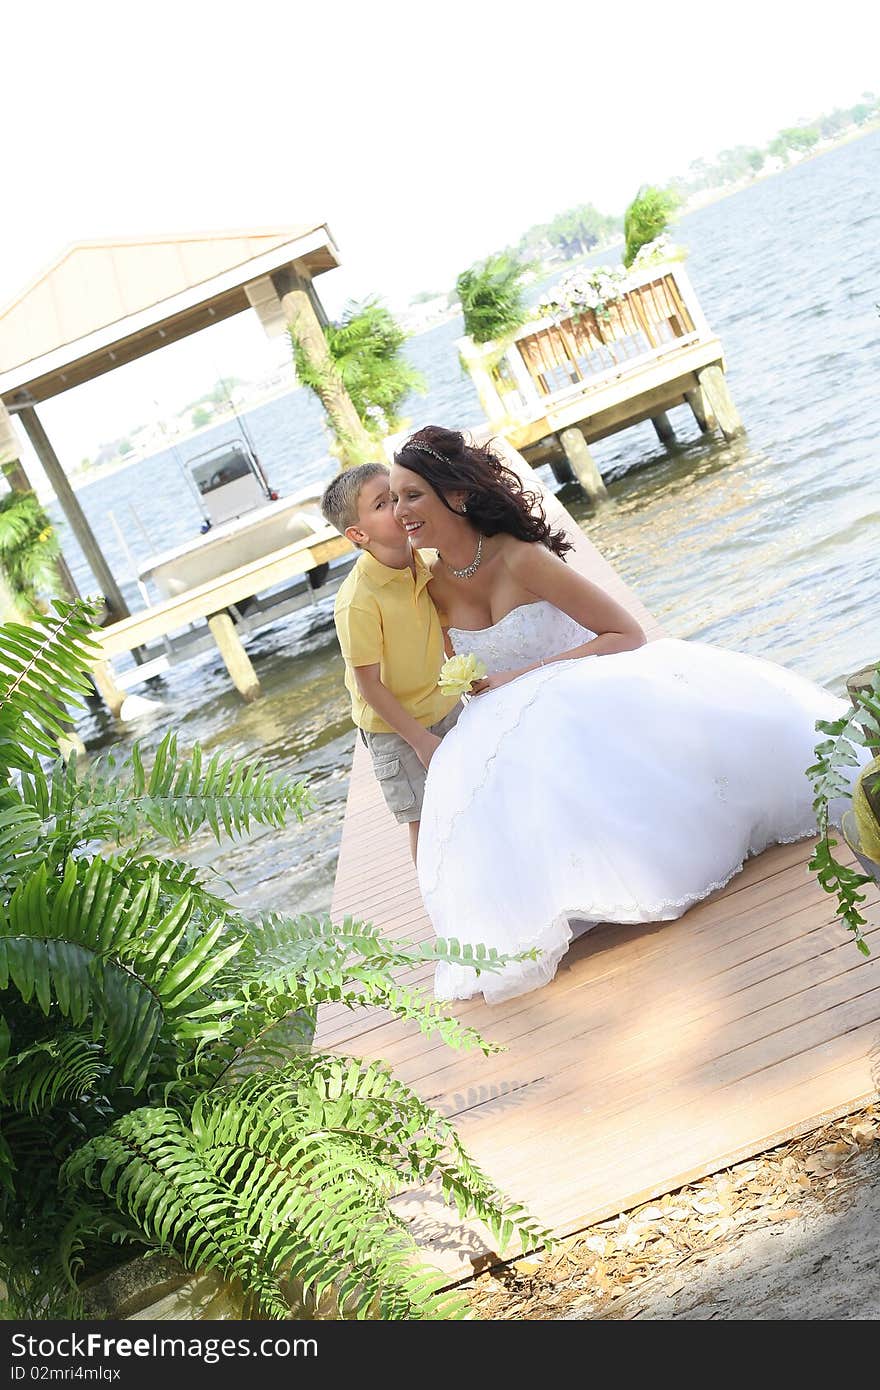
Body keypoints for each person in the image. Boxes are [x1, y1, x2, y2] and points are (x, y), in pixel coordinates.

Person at [388, 426, 865, 1004]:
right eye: (392, 499)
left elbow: (625, 633)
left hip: (581, 688)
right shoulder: (428, 588)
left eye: (412, 495)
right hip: (505, 715)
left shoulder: (522, 558)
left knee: (565, 727)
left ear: (456, 496)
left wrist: (523, 677)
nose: (401, 510)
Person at [321, 463, 461, 862]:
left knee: (472, 793)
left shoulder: (422, 561)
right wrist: (419, 740)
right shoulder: (357, 600)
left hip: (443, 702)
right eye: (383, 504)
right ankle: (440, 908)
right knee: (426, 817)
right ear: (358, 534)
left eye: (397, 495)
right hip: (395, 728)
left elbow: (442, 625)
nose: (398, 507)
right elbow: (369, 685)